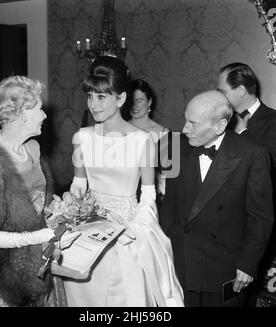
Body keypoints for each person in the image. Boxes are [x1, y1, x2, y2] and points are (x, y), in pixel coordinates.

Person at [63, 56, 184, 307]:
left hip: (127, 232)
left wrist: (133, 228)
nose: (93, 105)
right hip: (87, 233)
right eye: (90, 96)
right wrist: (70, 212)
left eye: (101, 97)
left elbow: (148, 196)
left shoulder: (142, 141)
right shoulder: (82, 137)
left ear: (120, 98)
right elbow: (78, 188)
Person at [159, 90, 274, 307]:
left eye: (193, 123)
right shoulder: (175, 146)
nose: (184, 129)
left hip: (229, 270)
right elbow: (170, 205)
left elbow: (261, 218)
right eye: (185, 120)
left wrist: (248, 264)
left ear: (220, 126)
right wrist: (166, 249)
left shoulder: (253, 154)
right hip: (183, 262)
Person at [0, 75, 76, 307]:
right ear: (21, 112)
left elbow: (39, 202)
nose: (44, 115)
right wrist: (33, 238)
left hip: (41, 264)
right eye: (39, 109)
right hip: (6, 275)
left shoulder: (33, 148)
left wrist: (59, 206)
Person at [217, 63, 276, 306]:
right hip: (230, 228)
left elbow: (269, 168)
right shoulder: (223, 123)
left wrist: (242, 136)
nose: (220, 96)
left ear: (240, 90)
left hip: (263, 226)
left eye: (223, 91)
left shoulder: (273, 121)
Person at [128, 79, 170, 202]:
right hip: (123, 195)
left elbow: (169, 175)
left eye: (139, 101)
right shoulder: (119, 131)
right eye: (131, 101)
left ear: (149, 102)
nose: (135, 106)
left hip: (151, 196)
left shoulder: (163, 132)